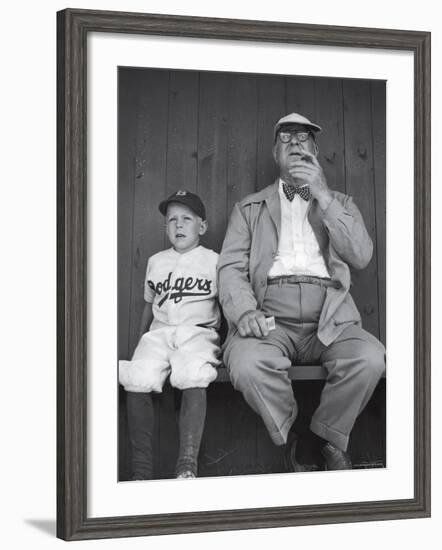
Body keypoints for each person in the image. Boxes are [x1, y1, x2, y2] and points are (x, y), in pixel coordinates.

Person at [217, 112, 385, 471]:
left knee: (370, 357)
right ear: (275, 153)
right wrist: (245, 312)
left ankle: (324, 438)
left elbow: (362, 256)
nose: (294, 143)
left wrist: (323, 196)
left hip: (330, 314)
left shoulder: (339, 202)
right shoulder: (249, 208)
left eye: (303, 137)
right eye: (286, 138)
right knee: (246, 364)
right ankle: (294, 436)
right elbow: (230, 268)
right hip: (269, 316)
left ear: (315, 150)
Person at [119, 190, 221, 480]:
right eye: (172, 220)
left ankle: (187, 465)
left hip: (198, 333)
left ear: (201, 227)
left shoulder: (214, 261)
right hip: (160, 333)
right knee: (136, 376)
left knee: (193, 372)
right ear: (165, 227)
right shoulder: (156, 261)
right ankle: (141, 470)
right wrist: (141, 340)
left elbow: (226, 303)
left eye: (186, 219)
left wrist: (226, 344)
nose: (178, 225)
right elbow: (149, 306)